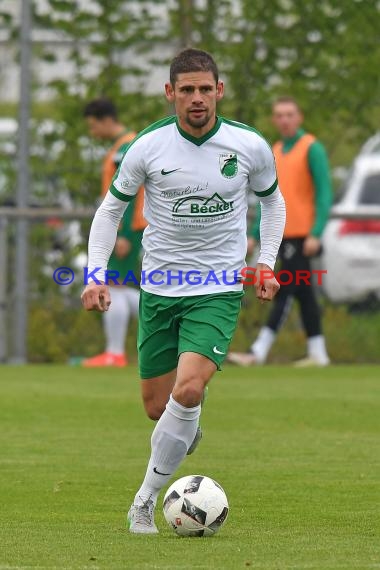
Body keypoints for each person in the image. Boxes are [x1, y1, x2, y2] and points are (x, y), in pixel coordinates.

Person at [81, 48, 286, 533]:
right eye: (187, 89)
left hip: (217, 286)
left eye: (205, 88)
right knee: (159, 407)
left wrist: (267, 264)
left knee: (189, 389)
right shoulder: (147, 147)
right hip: (159, 288)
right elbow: (110, 211)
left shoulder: (248, 145)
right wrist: (94, 274)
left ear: (220, 90)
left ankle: (144, 501)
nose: (197, 98)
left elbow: (272, 203)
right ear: (170, 93)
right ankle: (182, 427)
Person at [228, 96, 332, 367]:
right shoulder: (272, 149)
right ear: (274, 120)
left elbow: (324, 193)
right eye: (279, 115)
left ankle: (257, 351)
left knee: (284, 288)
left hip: (301, 233)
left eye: (289, 114)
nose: (284, 120)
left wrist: (316, 232)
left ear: (299, 118)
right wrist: (254, 233)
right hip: (279, 233)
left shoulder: (312, 148)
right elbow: (268, 198)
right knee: (304, 291)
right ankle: (318, 352)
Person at [82, 98, 146, 367]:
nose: (92, 131)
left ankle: (115, 353)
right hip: (127, 227)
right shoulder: (124, 145)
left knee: (115, 286)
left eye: (93, 125)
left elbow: (129, 192)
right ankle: (166, 320)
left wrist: (123, 233)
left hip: (126, 227)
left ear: (107, 120)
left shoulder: (126, 147)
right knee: (123, 288)